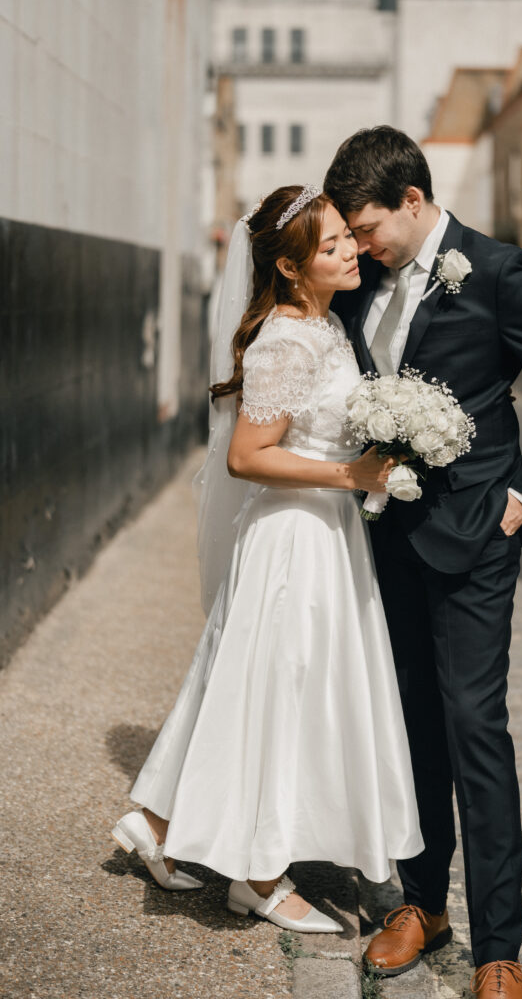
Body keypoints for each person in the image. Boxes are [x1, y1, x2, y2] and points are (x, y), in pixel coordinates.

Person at [324, 126, 522, 997]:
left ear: (412, 202)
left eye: (369, 226)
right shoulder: (364, 279)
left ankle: (497, 945)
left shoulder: (494, 272)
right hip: (381, 536)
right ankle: (422, 903)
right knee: (411, 721)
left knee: (473, 728)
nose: (362, 244)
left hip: (474, 539)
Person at [112, 185, 424, 932]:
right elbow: (248, 458)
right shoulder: (286, 338)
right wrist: (349, 474)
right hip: (292, 536)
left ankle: (158, 823)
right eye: (329, 247)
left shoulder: (324, 326)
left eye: (346, 238)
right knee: (280, 692)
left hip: (325, 533)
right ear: (289, 268)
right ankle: (258, 875)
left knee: (250, 682)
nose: (349, 250)